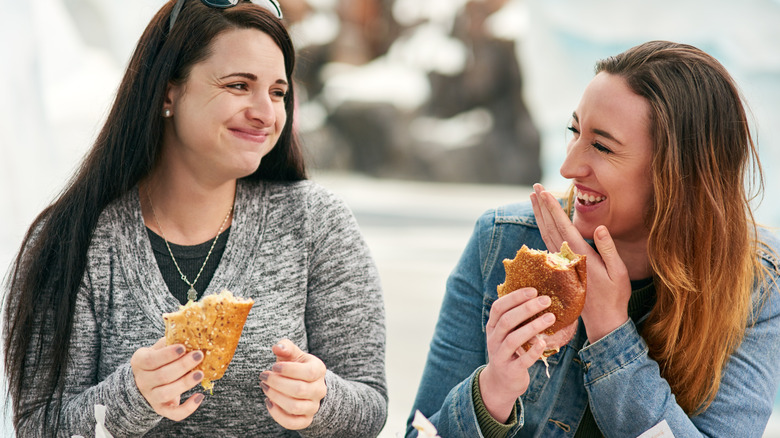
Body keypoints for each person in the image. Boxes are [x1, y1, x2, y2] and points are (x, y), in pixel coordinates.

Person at [2, 1, 387, 436]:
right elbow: (38, 427)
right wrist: (132, 397)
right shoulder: (74, 240)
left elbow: (369, 407)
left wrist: (322, 399)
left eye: (278, 92)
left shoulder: (317, 224)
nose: (266, 112)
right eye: (239, 85)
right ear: (168, 92)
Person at [406, 40, 780, 437]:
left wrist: (609, 332)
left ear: (679, 176)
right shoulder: (501, 241)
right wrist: (492, 393)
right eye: (574, 131)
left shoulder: (756, 289)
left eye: (601, 146)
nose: (568, 167)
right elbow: (421, 433)